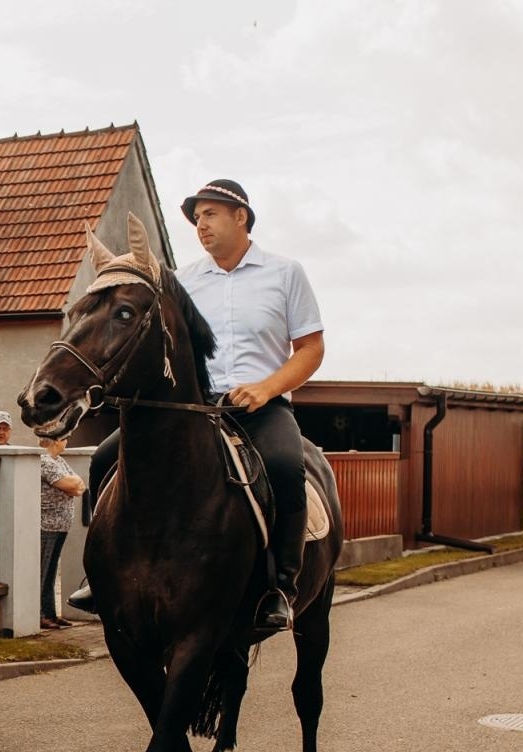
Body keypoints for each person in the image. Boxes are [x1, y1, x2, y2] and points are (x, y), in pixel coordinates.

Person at [69, 178, 324, 634]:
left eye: (209, 214)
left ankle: (281, 587)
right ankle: (100, 575)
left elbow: (310, 349)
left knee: (287, 467)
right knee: (106, 457)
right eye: (196, 218)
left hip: (259, 409)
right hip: (191, 409)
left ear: (239, 216)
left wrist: (266, 389)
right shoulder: (182, 280)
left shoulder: (285, 273)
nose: (200, 225)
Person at [38, 434, 85, 628]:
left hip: (60, 526)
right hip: (47, 525)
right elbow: (71, 485)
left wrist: (72, 486)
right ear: (57, 440)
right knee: (43, 571)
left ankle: (50, 613)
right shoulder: (45, 461)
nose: (67, 441)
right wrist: (71, 486)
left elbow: (79, 485)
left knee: (51, 572)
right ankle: (40, 615)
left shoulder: (59, 460)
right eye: (65, 438)